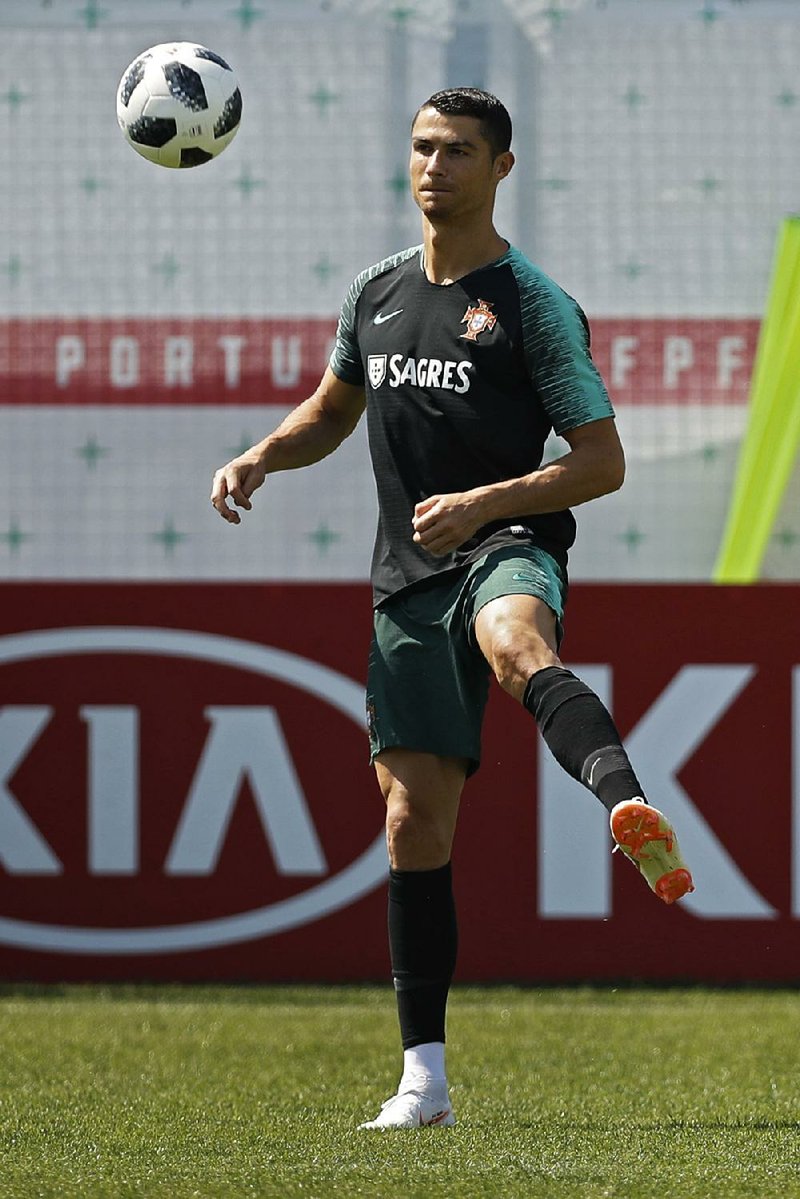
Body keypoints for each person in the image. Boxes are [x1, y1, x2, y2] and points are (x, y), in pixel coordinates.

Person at [210, 87, 695, 1131]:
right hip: (403, 578)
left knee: (515, 638)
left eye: (459, 151)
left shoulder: (532, 303)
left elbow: (599, 461)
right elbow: (330, 412)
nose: (434, 166)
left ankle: (623, 801)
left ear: (500, 169)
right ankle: (422, 1080)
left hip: (506, 541)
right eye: (423, 146)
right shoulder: (374, 293)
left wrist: (486, 501)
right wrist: (261, 453)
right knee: (409, 821)